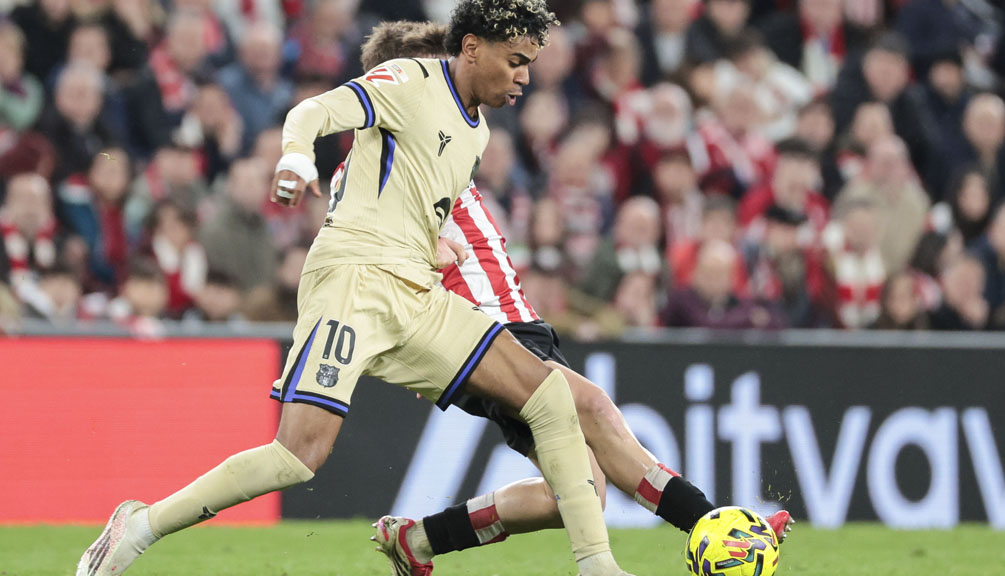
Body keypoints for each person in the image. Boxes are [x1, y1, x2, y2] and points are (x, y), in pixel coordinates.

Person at [75, 3, 637, 576]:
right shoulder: (408, 79)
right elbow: (313, 111)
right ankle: (140, 525)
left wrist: (433, 244)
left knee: (548, 392)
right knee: (298, 457)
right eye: (515, 61)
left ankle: (597, 566)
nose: (524, 77)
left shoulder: (478, 132)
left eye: (530, 64)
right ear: (472, 48)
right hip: (354, 281)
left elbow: (412, 199)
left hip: (416, 291)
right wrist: (297, 156)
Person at [353, 21, 793, 576]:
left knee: (578, 491)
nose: (451, 80)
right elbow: (372, 258)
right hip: (479, 334)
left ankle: (417, 540)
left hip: (515, 324)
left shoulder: (444, 148)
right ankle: (714, 526)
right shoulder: (388, 163)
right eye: (435, 71)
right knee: (594, 408)